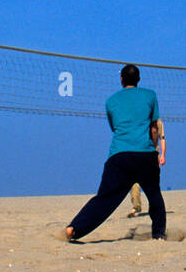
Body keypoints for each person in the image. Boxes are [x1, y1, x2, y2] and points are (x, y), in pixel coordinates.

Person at [65, 65, 166, 241]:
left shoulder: (111, 101)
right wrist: (155, 149)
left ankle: (74, 228)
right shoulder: (150, 95)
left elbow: (115, 128)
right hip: (145, 153)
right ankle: (158, 234)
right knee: (154, 194)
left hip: (120, 156)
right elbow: (154, 128)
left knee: (105, 198)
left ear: (121, 80)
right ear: (139, 79)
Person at [128, 119, 165, 218]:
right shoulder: (136, 120)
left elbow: (162, 138)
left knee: (152, 184)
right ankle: (136, 207)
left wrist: (163, 155)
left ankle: (155, 207)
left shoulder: (158, 123)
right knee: (134, 183)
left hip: (153, 156)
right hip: (136, 155)